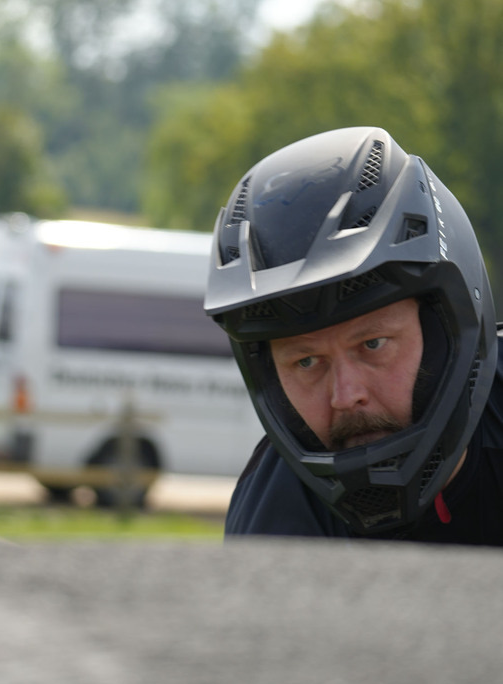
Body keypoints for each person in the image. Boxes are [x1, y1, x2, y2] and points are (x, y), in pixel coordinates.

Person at [204, 125, 503, 543]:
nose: (345, 396)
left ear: (449, 327)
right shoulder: (275, 518)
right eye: (306, 361)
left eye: (372, 344)